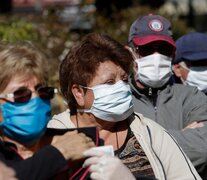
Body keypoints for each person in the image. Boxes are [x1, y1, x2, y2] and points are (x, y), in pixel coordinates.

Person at [48, 32, 201, 179]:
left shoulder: (149, 132)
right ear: (79, 93)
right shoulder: (52, 139)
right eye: (109, 82)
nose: (121, 87)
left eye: (124, 79)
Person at [127, 14, 207, 178]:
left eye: (164, 50)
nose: (156, 56)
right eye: (147, 49)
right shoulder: (118, 99)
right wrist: (177, 137)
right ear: (130, 52)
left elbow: (203, 149)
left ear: (172, 54)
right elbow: (113, 152)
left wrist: (138, 146)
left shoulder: (191, 96)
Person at [0, 42, 95, 179]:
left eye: (43, 91)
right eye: (21, 94)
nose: (36, 99)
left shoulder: (83, 142)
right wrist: (58, 153)